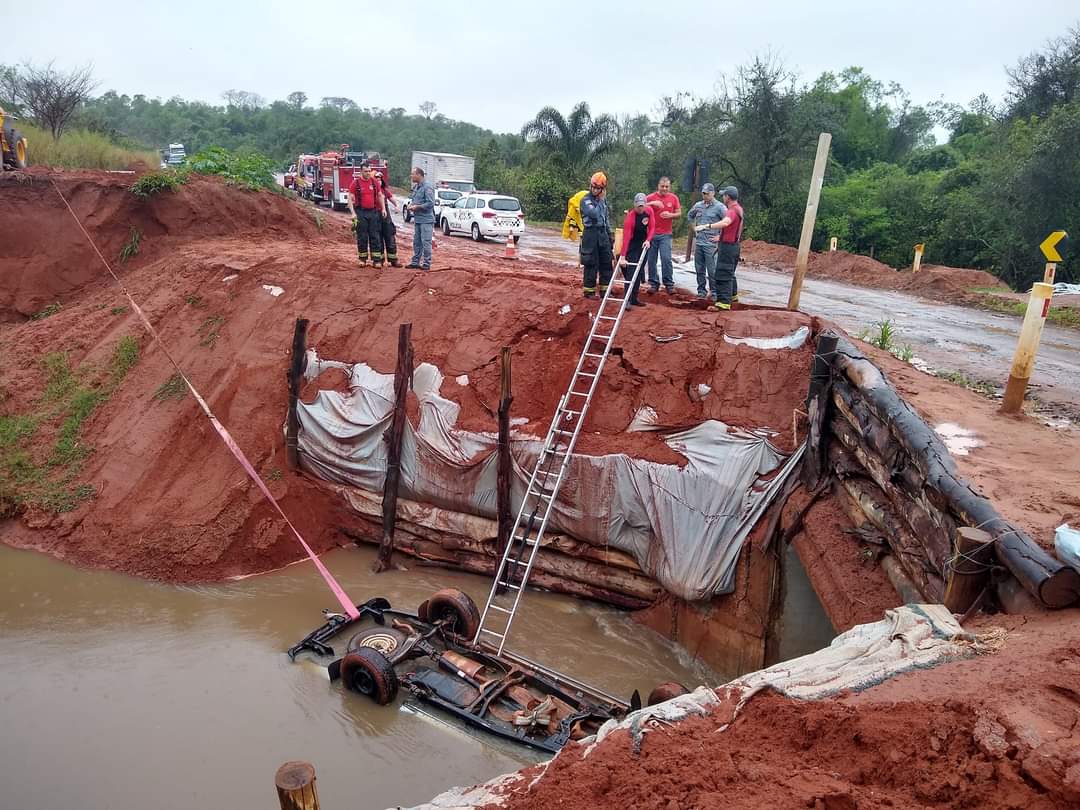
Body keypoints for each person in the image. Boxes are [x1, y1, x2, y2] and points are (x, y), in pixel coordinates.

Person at [702, 185, 745, 310]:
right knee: (730, 273)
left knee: (722, 273)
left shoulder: (731, 211)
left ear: (728, 197)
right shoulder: (739, 209)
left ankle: (723, 303)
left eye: (724, 195)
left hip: (728, 247)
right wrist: (721, 238)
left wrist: (709, 226)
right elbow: (735, 229)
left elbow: (726, 222)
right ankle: (733, 296)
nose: (723, 198)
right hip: (734, 245)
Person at [687, 184, 727, 299]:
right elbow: (690, 216)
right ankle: (701, 291)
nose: (705, 195)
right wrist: (693, 228)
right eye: (703, 193)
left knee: (712, 270)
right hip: (699, 242)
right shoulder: (698, 206)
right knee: (699, 269)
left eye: (707, 193)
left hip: (711, 244)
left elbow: (728, 222)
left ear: (713, 193)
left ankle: (714, 293)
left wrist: (720, 237)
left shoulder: (720, 207)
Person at [579, 171, 614, 299]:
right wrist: (600, 201)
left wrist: (610, 235)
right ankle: (589, 291)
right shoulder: (586, 200)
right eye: (593, 187)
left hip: (602, 232)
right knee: (591, 263)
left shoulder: (603, 202)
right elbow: (593, 213)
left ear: (602, 189)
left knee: (606, 261)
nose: (595, 190)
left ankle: (605, 290)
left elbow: (606, 219)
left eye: (598, 188)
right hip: (590, 233)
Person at [617, 193, 655, 307]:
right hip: (632, 245)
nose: (640, 208)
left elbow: (652, 227)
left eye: (642, 205)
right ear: (634, 205)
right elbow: (627, 238)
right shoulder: (630, 217)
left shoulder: (649, 211)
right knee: (631, 271)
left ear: (645, 205)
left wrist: (648, 240)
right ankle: (626, 299)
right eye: (638, 206)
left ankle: (634, 298)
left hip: (643, 244)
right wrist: (623, 256)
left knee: (639, 271)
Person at [644, 176, 681, 294]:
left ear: (669, 187)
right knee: (651, 260)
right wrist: (652, 203)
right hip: (651, 233)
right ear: (658, 186)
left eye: (666, 186)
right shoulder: (650, 197)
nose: (664, 189)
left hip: (666, 234)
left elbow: (679, 213)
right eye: (662, 186)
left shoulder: (673, 198)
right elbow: (640, 208)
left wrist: (670, 215)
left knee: (666, 259)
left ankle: (669, 284)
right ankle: (653, 283)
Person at [347, 161, 386, 267]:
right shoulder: (356, 183)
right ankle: (362, 259)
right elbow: (350, 198)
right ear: (361, 171)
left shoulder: (374, 182)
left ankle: (376, 260)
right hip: (361, 212)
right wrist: (353, 213)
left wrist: (383, 209)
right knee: (362, 236)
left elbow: (380, 195)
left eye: (369, 171)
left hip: (373, 212)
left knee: (375, 236)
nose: (368, 173)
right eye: (366, 171)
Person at [405, 166, 436, 270]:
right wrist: (411, 206)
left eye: (413, 174)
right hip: (418, 219)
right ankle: (415, 262)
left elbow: (430, 203)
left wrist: (417, 207)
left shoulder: (427, 187)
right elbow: (415, 199)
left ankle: (426, 264)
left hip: (426, 220)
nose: (411, 176)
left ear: (419, 175)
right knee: (416, 241)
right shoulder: (416, 187)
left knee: (426, 242)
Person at [374, 171, 401, 267]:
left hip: (386, 217)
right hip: (375, 215)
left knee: (390, 237)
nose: (378, 181)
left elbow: (391, 198)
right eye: (376, 179)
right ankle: (379, 260)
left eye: (380, 179)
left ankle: (393, 259)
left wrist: (397, 206)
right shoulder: (372, 190)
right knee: (377, 238)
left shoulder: (384, 190)